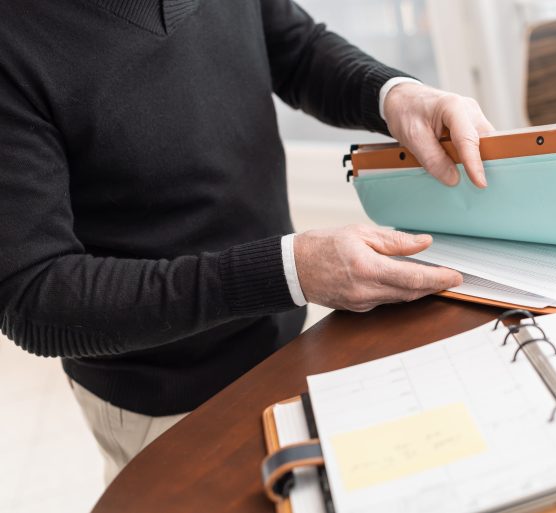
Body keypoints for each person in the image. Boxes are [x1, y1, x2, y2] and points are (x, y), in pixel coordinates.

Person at [0, 0, 493, 483]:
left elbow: (296, 49)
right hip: (163, 396)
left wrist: (392, 93)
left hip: (286, 341)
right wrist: (287, 270)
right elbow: (34, 296)